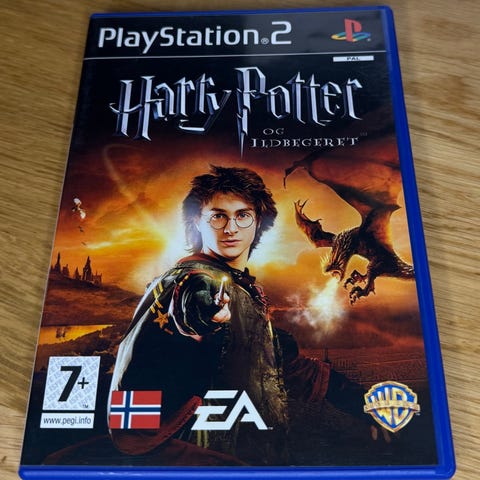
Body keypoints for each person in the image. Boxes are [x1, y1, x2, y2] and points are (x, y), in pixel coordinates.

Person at [108, 165, 369, 466]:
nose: (230, 228)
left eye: (242, 215)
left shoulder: (239, 290)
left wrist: (366, 404)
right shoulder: (192, 280)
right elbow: (194, 302)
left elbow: (284, 364)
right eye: (218, 216)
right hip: (203, 456)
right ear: (197, 222)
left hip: (247, 453)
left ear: (258, 222)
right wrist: (208, 313)